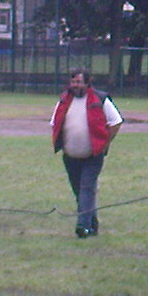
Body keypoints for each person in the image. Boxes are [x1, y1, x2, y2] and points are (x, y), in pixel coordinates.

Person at [51, 68, 124, 238]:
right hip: (70, 156)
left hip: (93, 156)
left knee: (86, 189)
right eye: (73, 82)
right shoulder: (64, 100)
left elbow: (116, 122)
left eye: (78, 82)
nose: (75, 86)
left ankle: (82, 227)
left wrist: (104, 143)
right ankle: (92, 223)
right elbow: (55, 122)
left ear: (87, 82)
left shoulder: (100, 99)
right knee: (80, 192)